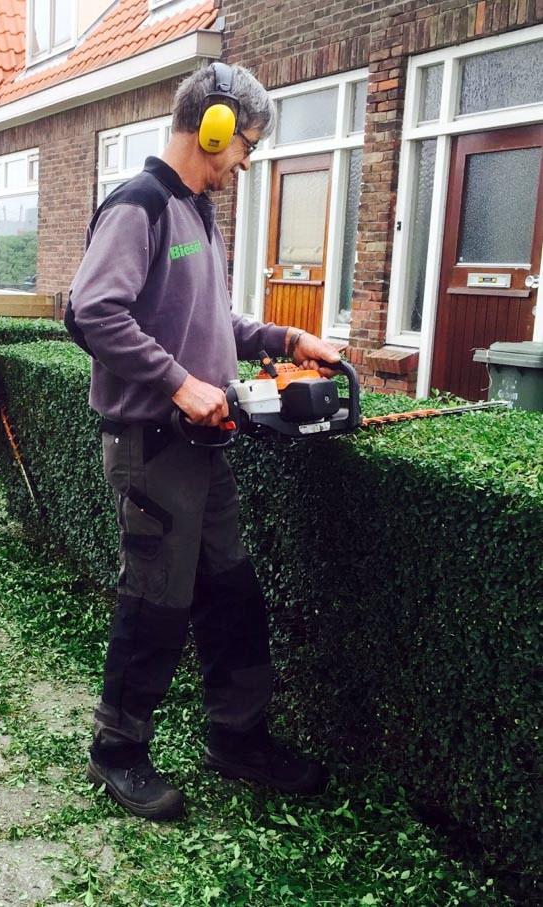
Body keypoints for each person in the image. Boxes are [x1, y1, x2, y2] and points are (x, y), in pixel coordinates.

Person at [68, 62, 342, 821]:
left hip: (203, 447)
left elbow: (210, 323)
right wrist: (177, 383)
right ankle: (116, 750)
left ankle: (238, 736)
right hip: (153, 443)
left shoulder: (198, 213)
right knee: (154, 601)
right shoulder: (141, 204)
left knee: (231, 590)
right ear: (214, 127)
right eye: (245, 144)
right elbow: (91, 311)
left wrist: (286, 336)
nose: (246, 160)